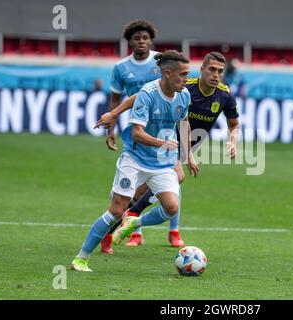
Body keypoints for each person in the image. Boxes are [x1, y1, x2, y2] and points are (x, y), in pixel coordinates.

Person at [95, 52, 240, 250]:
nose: (216, 75)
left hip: (185, 144)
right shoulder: (186, 86)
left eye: (220, 71)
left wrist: (232, 141)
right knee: (177, 177)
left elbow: (234, 124)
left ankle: (110, 231)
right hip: (164, 141)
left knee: (140, 192)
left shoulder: (225, 96)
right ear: (202, 70)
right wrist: (113, 113)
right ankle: (135, 217)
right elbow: (140, 96)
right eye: (212, 69)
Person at [71, 50, 197, 272]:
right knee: (116, 211)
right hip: (135, 159)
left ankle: (134, 223)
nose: (187, 79)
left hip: (162, 163)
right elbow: (137, 133)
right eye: (183, 74)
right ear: (168, 73)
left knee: (171, 207)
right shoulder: (148, 94)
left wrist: (188, 155)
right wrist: (161, 143)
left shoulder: (184, 95)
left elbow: (184, 122)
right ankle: (81, 258)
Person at [101, 19, 186, 252]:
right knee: (132, 193)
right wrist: (111, 129)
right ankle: (121, 230)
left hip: (164, 131)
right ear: (129, 41)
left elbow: (180, 89)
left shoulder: (163, 62)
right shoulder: (121, 68)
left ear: (151, 40)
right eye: (137, 38)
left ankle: (173, 232)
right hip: (138, 134)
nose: (141, 41)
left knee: (176, 178)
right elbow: (118, 99)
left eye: (145, 38)